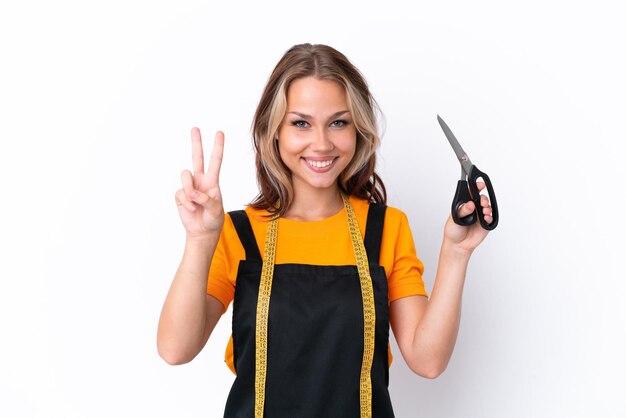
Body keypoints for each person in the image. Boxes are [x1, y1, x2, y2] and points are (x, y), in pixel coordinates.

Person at [157, 43, 493, 417]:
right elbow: (175, 349)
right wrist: (201, 239)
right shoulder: (239, 232)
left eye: (338, 122)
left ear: (358, 129)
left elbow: (428, 361)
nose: (321, 143)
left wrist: (456, 252)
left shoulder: (384, 228)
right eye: (301, 123)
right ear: (275, 132)